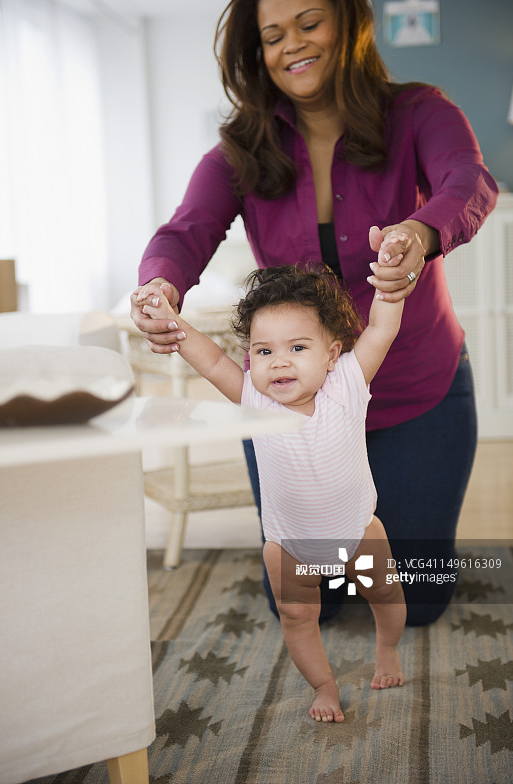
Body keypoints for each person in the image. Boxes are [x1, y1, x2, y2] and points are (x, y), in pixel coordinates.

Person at [131, 0, 499, 625]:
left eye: (308, 24)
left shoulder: (418, 112)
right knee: (309, 606)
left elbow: (467, 181)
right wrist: (161, 284)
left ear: (348, 26)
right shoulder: (238, 151)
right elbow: (183, 232)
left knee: (415, 604)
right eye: (273, 36)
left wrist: (419, 231)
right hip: (288, 410)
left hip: (417, 390)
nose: (291, 44)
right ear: (258, 51)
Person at [138, 261, 407, 723]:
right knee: (297, 617)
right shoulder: (255, 401)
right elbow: (209, 358)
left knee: (386, 595)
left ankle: (387, 650)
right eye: (263, 351)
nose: (278, 361)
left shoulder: (347, 383)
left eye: (297, 347)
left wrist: (390, 280)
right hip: (289, 546)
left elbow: (381, 329)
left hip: (359, 532)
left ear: (331, 354)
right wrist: (171, 319)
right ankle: (324, 685)